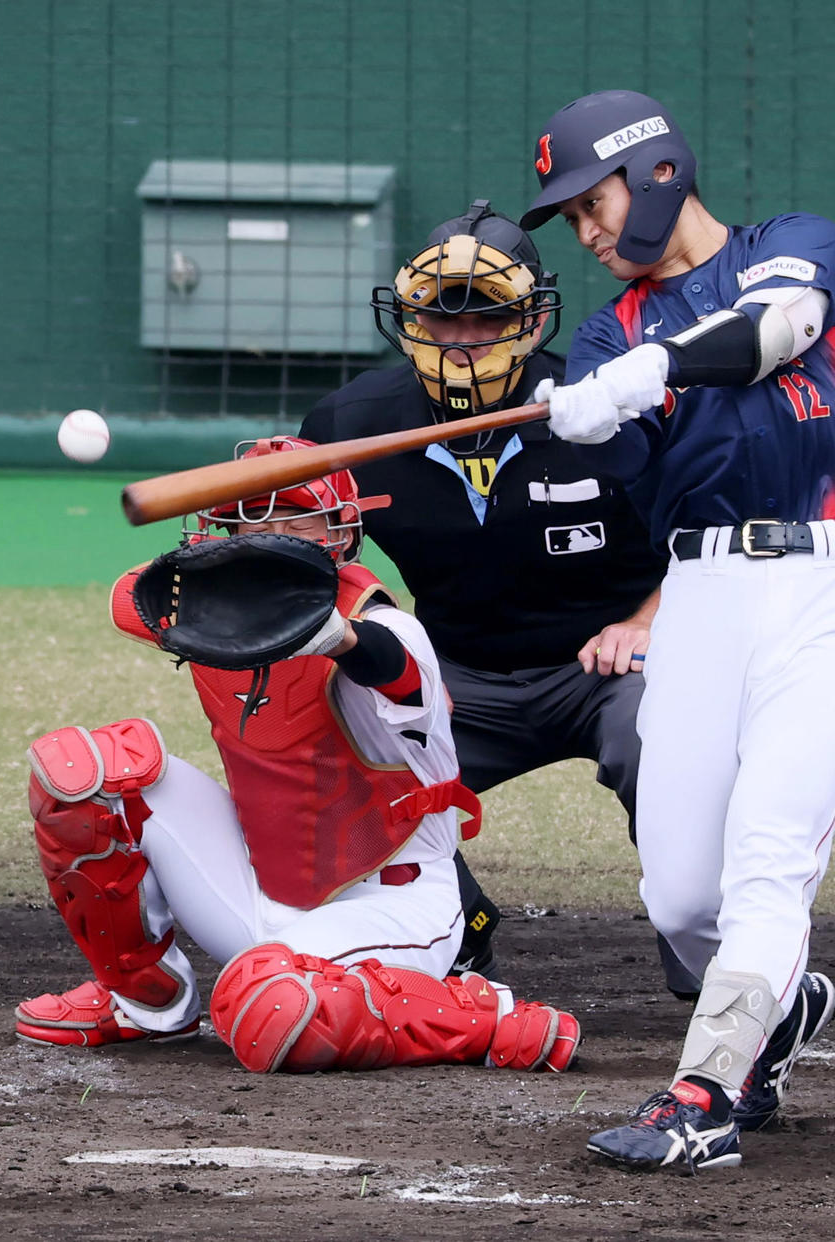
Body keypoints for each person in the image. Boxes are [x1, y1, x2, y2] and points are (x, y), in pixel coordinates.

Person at [519, 89, 835, 1170]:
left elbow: (775, 332)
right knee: (683, 895)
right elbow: (638, 464)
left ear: (652, 174)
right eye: (571, 218)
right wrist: (588, 418)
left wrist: (656, 370)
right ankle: (777, 1011)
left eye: (589, 205)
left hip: (831, 590)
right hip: (701, 600)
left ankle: (702, 1097)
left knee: (769, 858)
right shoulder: (606, 333)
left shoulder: (796, 245)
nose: (588, 234)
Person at [14, 437, 580, 1075]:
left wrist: (333, 637)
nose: (266, 534)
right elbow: (130, 599)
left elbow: (395, 673)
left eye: (291, 517)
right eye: (246, 515)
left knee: (265, 1008)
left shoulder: (385, 628)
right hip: (262, 888)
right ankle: (145, 1002)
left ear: (341, 531)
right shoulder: (211, 607)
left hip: (394, 903)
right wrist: (239, 591)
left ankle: (485, 1018)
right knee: (82, 770)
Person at [299, 199, 697, 997]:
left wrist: (647, 624)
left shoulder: (602, 406)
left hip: (608, 667)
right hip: (461, 678)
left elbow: (704, 539)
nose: (459, 341)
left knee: (669, 744)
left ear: (531, 320)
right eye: (439, 321)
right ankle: (456, 928)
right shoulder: (350, 424)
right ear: (405, 320)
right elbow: (318, 560)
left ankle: (708, 967)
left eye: (484, 320)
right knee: (333, 757)